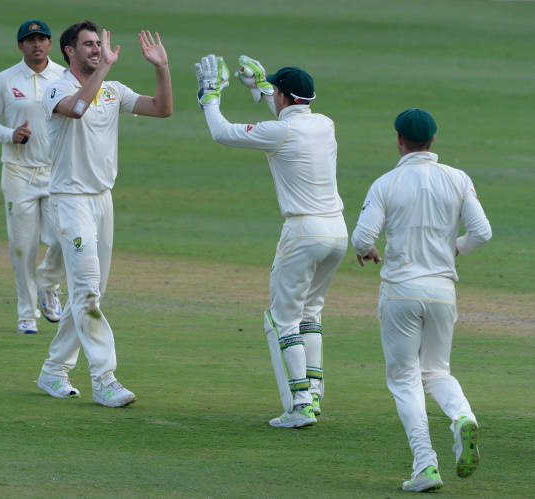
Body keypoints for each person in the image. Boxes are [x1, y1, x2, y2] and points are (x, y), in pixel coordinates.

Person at [195, 55, 348, 428]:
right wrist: (265, 89)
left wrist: (209, 97)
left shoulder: (278, 132)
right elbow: (288, 116)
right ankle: (312, 393)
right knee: (310, 313)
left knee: (284, 319)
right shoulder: (325, 124)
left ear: (283, 96)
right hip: (337, 231)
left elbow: (221, 132)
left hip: (303, 232)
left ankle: (299, 405)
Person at [351, 108, 492, 492]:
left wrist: (372, 251)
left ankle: (426, 465)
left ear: (399, 140)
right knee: (437, 372)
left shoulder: (387, 183)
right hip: (443, 291)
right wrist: (453, 250)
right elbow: (482, 232)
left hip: (400, 291)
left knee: (404, 379)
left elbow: (362, 239)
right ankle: (463, 417)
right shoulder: (457, 178)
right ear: (433, 140)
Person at [36, 21, 172, 407]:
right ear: (69, 52)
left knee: (88, 293)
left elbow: (162, 109)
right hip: (70, 199)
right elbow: (77, 109)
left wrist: (161, 68)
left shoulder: (113, 92)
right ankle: (104, 378)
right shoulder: (57, 88)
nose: (97, 50)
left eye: (99, 45)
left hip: (102, 200)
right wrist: (107, 68)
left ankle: (53, 369)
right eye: (89, 45)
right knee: (88, 291)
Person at [0, 19, 66, 335]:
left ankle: (48, 284)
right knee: (23, 247)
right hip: (18, 173)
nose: (37, 44)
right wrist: (10, 134)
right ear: (21, 46)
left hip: (57, 173)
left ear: (50, 44)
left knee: (63, 239)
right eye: (30, 40)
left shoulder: (63, 77)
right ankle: (27, 315)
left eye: (42, 39)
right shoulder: (6, 80)